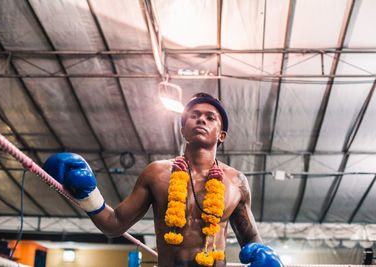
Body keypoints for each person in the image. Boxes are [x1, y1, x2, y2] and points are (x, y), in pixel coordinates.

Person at [43, 93, 283, 267]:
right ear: (183, 130)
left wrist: (267, 257)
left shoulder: (236, 182)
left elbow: (250, 240)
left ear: (222, 135)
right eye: (194, 116)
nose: (201, 120)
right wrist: (88, 194)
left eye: (210, 117)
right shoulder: (156, 173)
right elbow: (114, 224)